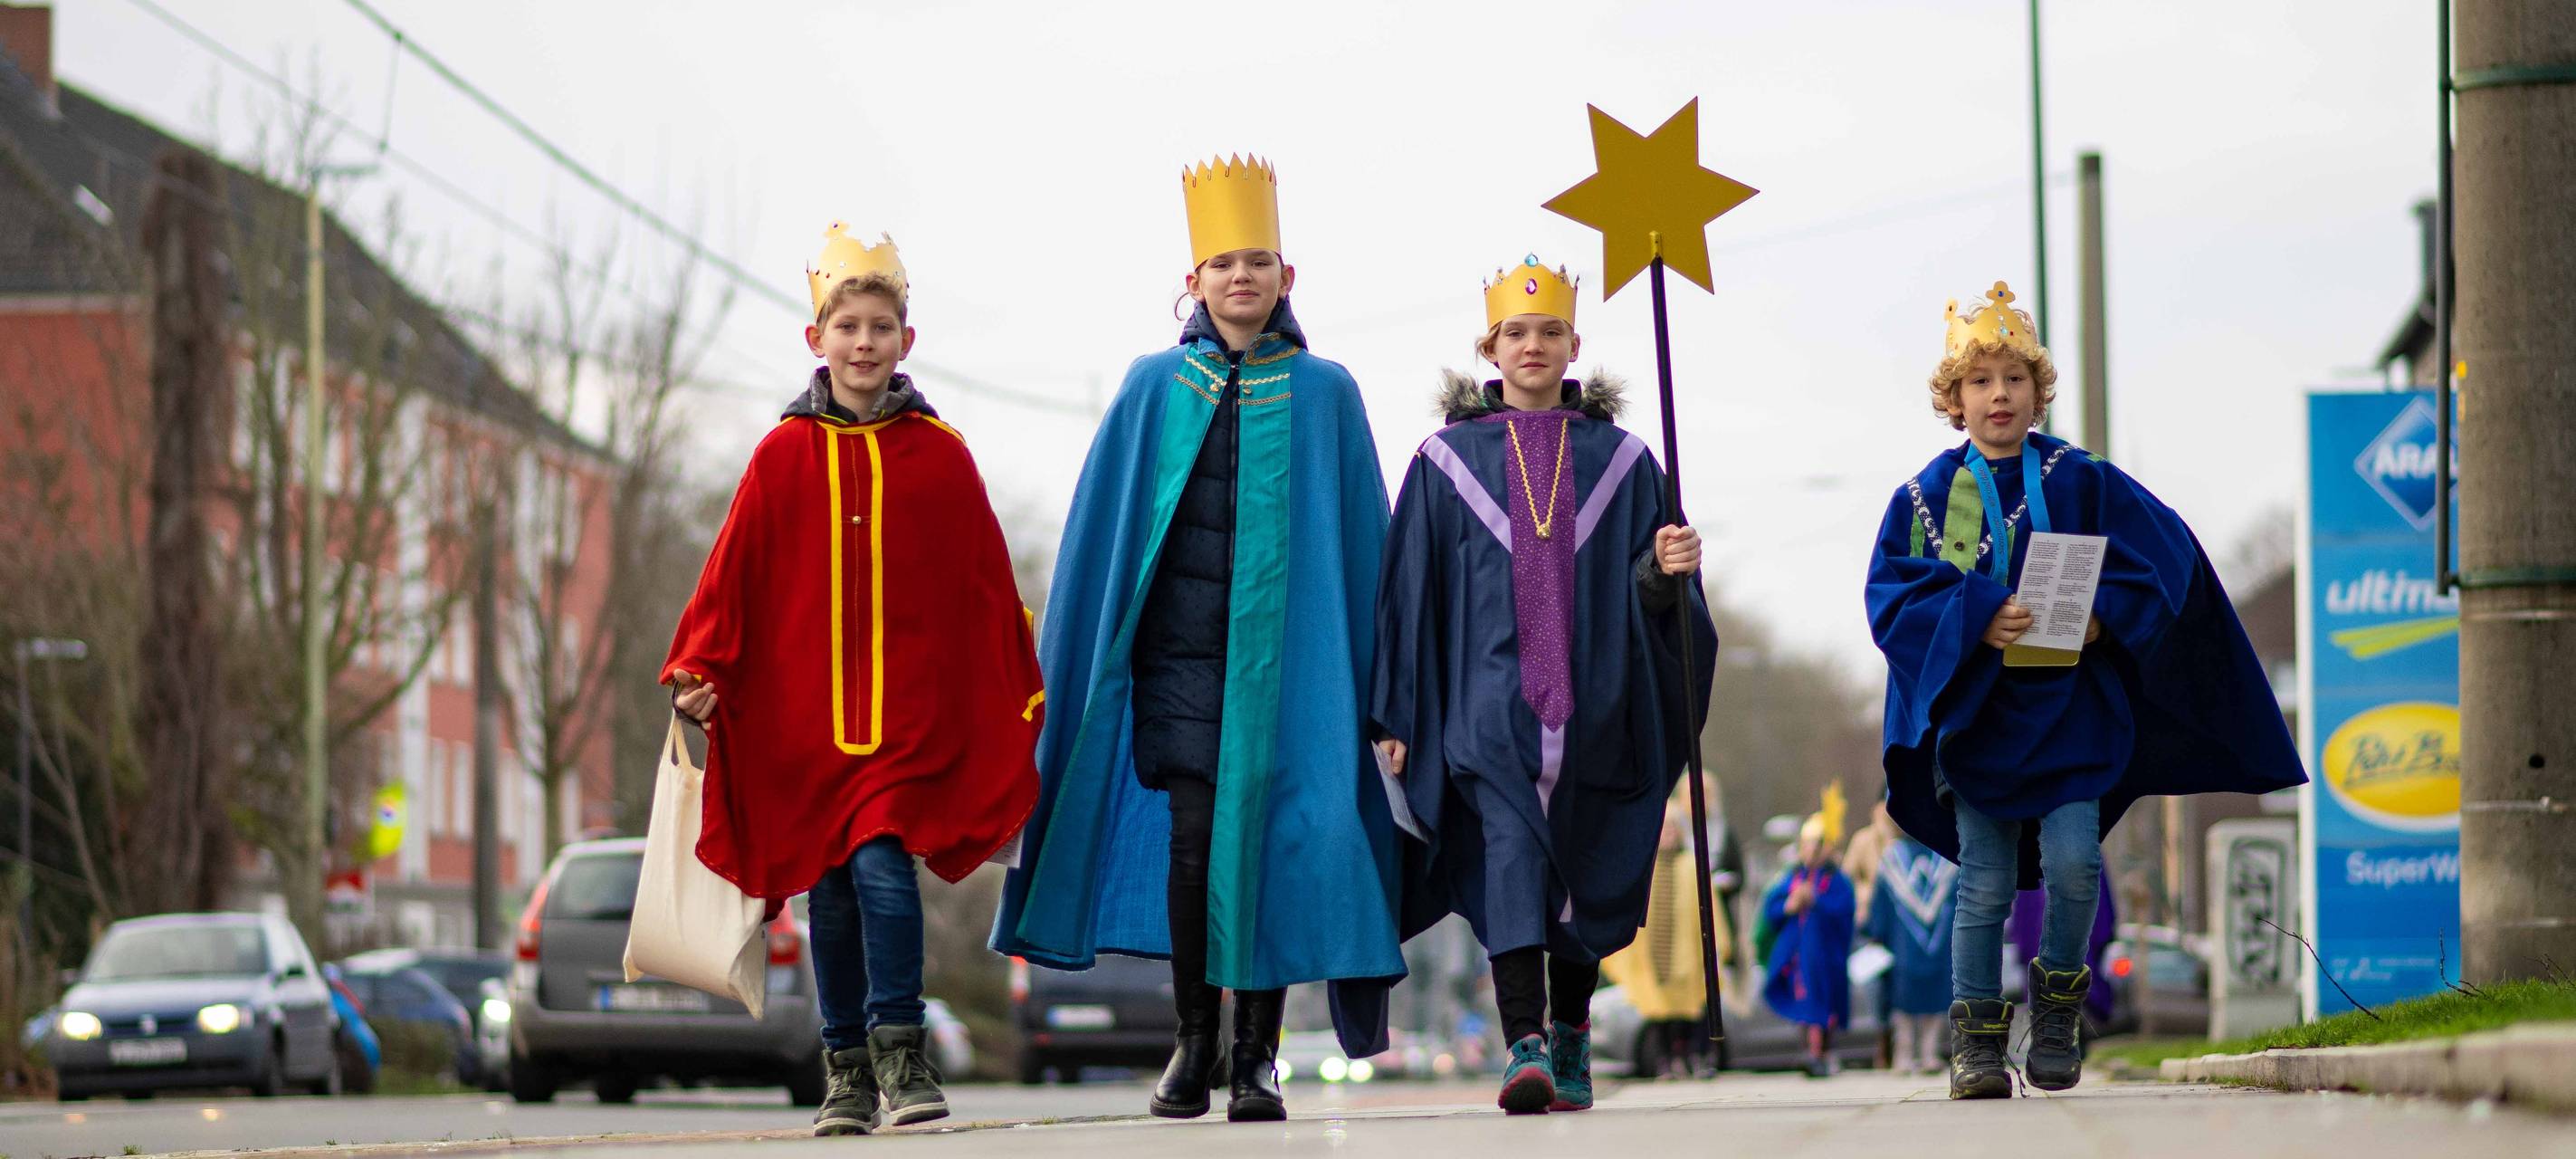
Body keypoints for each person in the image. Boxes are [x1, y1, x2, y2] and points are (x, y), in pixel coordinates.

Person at [990, 156, 1405, 1124]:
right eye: (1221, 263)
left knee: (1274, 847)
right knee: (1190, 848)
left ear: (1284, 277)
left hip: (1291, 674)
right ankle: (1193, 1040)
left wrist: (1382, 698)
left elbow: (1364, 553)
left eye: (1256, 260)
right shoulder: (1149, 387)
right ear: (1194, 281)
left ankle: (1256, 1057)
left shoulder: (1325, 392)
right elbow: (1103, 536)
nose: (1239, 278)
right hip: (1177, 666)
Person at [1864, 282, 2304, 1099]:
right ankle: (1977, 1045)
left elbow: (2165, 555)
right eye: (1981, 382)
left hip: (2072, 712)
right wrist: (1978, 615)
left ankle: (2060, 1007)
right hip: (1980, 721)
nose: (2000, 396)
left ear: (2039, 389)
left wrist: (2105, 618)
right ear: (1953, 399)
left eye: (2015, 379)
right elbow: (1893, 596)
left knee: (2074, 867)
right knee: (1984, 882)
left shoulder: (2083, 478)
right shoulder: (1921, 498)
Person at [664, 225, 1044, 1136]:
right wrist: (697, 667)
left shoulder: (940, 456)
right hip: (801, 722)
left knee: (880, 867)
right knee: (824, 892)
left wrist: (1013, 686)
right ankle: (843, 1069)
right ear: (817, 340)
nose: (864, 341)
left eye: (881, 325)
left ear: (904, 341)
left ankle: (901, 1049)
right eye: (848, 326)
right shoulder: (779, 456)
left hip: (905, 725)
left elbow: (985, 584)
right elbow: (733, 572)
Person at [1344, 255, 1716, 1115]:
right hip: (1487, 707)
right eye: (1517, 332)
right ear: (1491, 346)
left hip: (1600, 701)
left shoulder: (1624, 460)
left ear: (1574, 342)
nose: (1534, 345)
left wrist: (1666, 573)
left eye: (1551, 331)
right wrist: (1394, 712)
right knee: (1510, 857)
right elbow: (1408, 594)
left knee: (1584, 867)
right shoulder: (1444, 462)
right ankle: (1525, 1043)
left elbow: (1654, 594)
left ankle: (1575, 1032)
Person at [1601, 773, 1736, 1079]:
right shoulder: (1645, 868)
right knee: (1659, 1013)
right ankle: (1666, 1059)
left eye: (1672, 830)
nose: (1668, 836)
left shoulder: (1691, 866)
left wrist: (1715, 947)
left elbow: (1708, 909)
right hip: (1654, 958)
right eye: (1663, 830)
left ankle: (1694, 1056)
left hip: (1687, 956)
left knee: (1692, 1009)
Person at [1760, 795, 1857, 1078]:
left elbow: (1843, 909)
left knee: (1823, 1004)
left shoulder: (1836, 880)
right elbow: (1772, 910)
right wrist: (1789, 905)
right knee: (1806, 1004)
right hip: (1798, 958)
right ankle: (1810, 1052)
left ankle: (1823, 1052)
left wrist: (1815, 900)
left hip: (1825, 957)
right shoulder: (1792, 878)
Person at [1863, 829, 1957, 1076]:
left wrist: (1876, 932)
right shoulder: (1947, 856)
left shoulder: (1892, 857)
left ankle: (1903, 1056)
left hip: (1901, 946)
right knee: (1932, 1000)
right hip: (1938, 945)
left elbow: (1880, 907)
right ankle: (1929, 1053)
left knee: (1903, 1004)